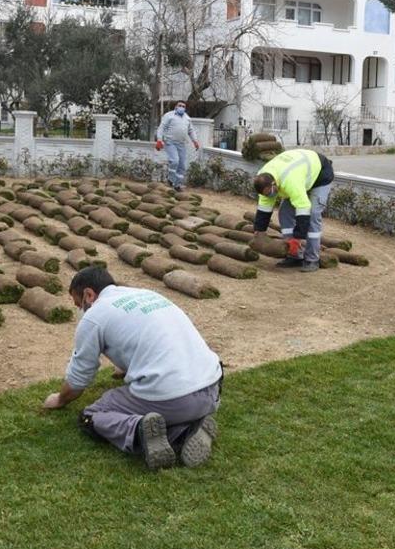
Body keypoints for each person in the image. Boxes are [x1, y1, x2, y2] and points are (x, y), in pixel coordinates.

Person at [42, 267, 223, 471]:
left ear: (88, 295)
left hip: (173, 398)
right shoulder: (147, 294)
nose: (79, 309)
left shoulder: (94, 316)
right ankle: (192, 427)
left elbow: (78, 380)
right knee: (171, 400)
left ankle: (152, 432)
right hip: (212, 387)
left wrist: (60, 399)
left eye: (77, 303)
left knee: (91, 416)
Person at [252, 148, 335, 273]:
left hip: (320, 174)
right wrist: (259, 230)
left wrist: (298, 237)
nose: (270, 195)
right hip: (300, 172)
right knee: (284, 212)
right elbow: (264, 207)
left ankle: (312, 259)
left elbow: (303, 208)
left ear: (274, 184)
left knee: (312, 214)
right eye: (266, 194)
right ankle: (294, 255)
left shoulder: (290, 181)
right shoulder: (263, 178)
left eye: (270, 192)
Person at [155, 101, 200, 191]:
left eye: (183, 106)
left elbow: (191, 131)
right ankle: (171, 179)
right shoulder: (169, 115)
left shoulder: (187, 118)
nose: (181, 107)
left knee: (182, 165)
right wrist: (159, 139)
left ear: (185, 108)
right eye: (180, 105)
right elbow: (162, 127)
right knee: (175, 161)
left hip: (181, 144)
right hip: (170, 142)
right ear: (175, 106)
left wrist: (195, 141)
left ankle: (177, 185)